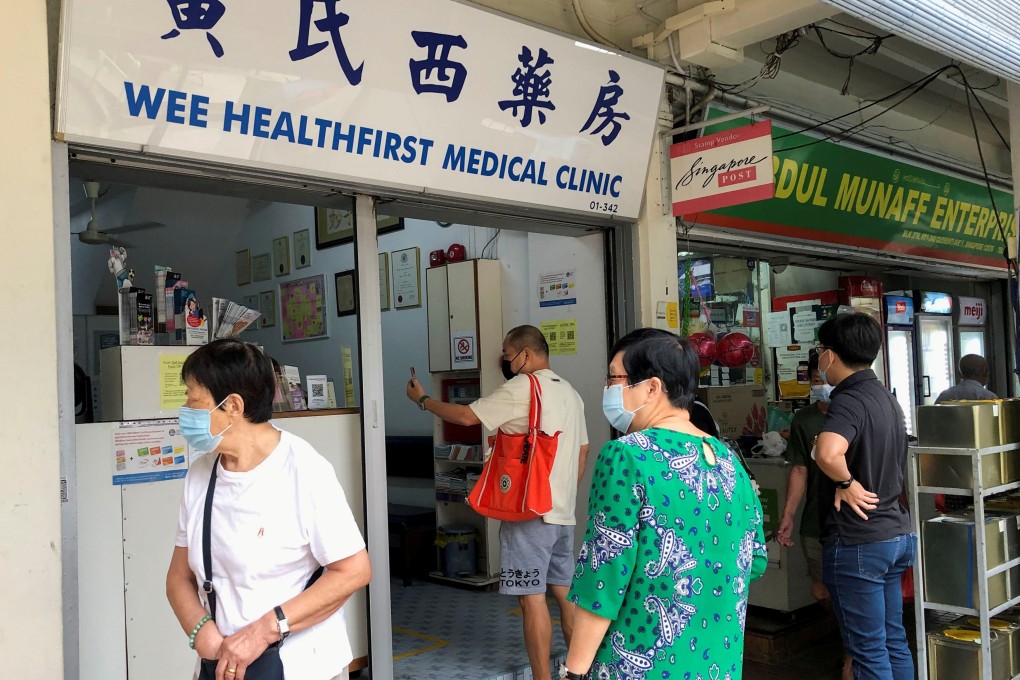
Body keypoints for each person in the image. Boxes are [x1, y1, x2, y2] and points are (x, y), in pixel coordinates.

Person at [562, 329, 766, 680]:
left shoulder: (626, 456)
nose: (608, 389)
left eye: (614, 378)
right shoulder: (730, 460)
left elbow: (604, 579)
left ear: (652, 387)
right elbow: (755, 561)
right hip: (717, 662)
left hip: (641, 664)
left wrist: (574, 671)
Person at [166, 339, 371, 680]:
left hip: (302, 665)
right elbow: (178, 578)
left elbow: (353, 571)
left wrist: (262, 632)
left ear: (232, 405)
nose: (185, 408)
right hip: (226, 666)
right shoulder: (201, 474)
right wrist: (204, 634)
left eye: (193, 397)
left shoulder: (303, 470)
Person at [405, 324, 589, 680]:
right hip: (562, 513)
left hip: (529, 514)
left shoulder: (523, 386)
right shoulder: (570, 392)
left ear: (526, 354)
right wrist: (561, 493)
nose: (505, 362)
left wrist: (422, 400)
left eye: (507, 355)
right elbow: (582, 451)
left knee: (531, 599)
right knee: (565, 595)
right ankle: (580, 671)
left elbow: (467, 416)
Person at [813, 313, 914, 680]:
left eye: (821, 350)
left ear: (831, 355)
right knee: (892, 641)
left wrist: (845, 482)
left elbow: (827, 452)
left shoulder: (849, 399)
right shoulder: (885, 397)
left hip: (859, 541)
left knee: (868, 650)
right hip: (895, 534)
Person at [776, 352, 852, 680]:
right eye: (814, 380)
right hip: (813, 522)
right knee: (822, 591)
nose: (819, 385)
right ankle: (852, 639)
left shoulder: (851, 414)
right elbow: (799, 470)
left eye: (823, 378)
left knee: (849, 591)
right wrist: (788, 514)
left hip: (850, 521)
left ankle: (852, 653)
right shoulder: (804, 421)